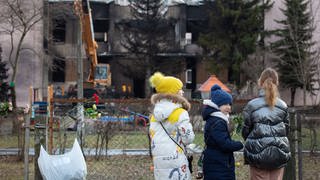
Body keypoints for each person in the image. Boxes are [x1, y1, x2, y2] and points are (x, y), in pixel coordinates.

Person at [241, 68, 291, 180]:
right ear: (277, 83)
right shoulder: (283, 106)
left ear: (260, 82)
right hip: (279, 153)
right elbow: (286, 130)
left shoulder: (251, 105)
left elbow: (245, 132)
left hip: (257, 154)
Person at [149, 72, 195, 180]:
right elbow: (188, 139)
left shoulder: (154, 115)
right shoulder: (180, 113)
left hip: (159, 160)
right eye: (180, 89)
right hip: (176, 159)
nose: (182, 92)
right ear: (173, 92)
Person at [202, 84, 243, 180]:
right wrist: (240, 144)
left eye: (230, 104)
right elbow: (224, 144)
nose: (229, 107)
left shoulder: (216, 119)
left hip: (217, 162)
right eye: (225, 104)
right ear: (217, 105)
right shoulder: (218, 122)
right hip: (218, 164)